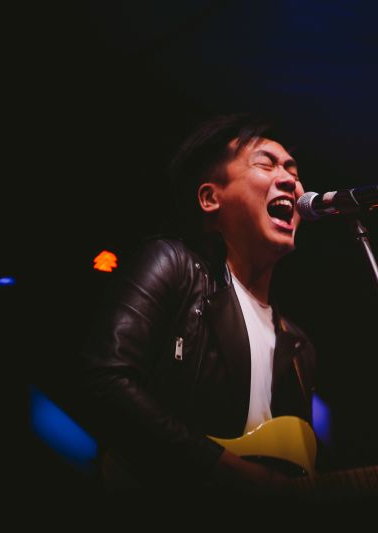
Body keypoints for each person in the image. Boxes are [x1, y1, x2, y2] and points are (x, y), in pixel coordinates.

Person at [78, 114, 315, 495]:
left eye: (293, 170)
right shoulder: (173, 266)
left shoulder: (299, 347)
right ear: (210, 199)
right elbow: (104, 380)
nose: (289, 179)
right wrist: (224, 468)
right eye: (266, 163)